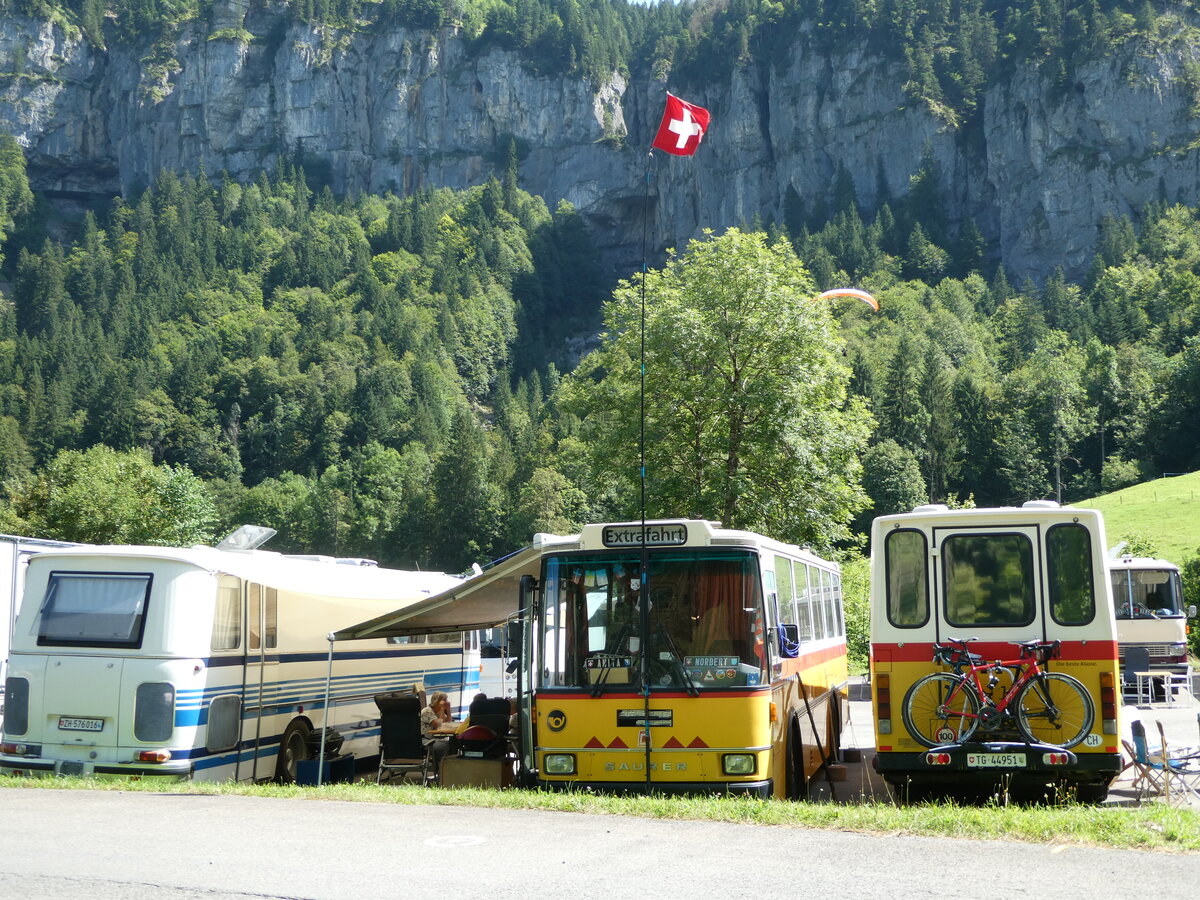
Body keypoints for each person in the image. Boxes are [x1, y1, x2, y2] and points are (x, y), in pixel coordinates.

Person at [420, 691, 454, 769]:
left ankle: (446, 769)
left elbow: (448, 724)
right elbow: (440, 726)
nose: (446, 702)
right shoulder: (427, 711)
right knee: (448, 746)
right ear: (437, 702)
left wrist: (448, 711)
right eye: (444, 700)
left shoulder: (438, 712)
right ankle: (441, 770)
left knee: (453, 743)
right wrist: (442, 709)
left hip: (434, 739)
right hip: (426, 740)